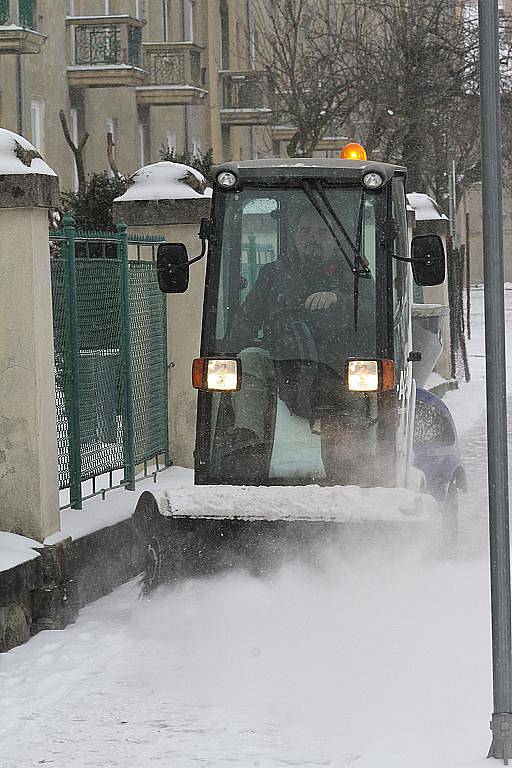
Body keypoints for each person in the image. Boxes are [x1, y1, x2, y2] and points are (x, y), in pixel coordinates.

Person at [225, 206, 373, 478]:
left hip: (336, 368)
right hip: (282, 365)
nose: (312, 238)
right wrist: (228, 352)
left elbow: (373, 310)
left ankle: (356, 462)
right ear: (294, 236)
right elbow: (247, 319)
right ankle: (247, 443)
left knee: (363, 379)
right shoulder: (273, 274)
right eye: (305, 230)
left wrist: (338, 299)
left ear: (334, 238)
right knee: (248, 358)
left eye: (320, 231)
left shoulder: (353, 273)